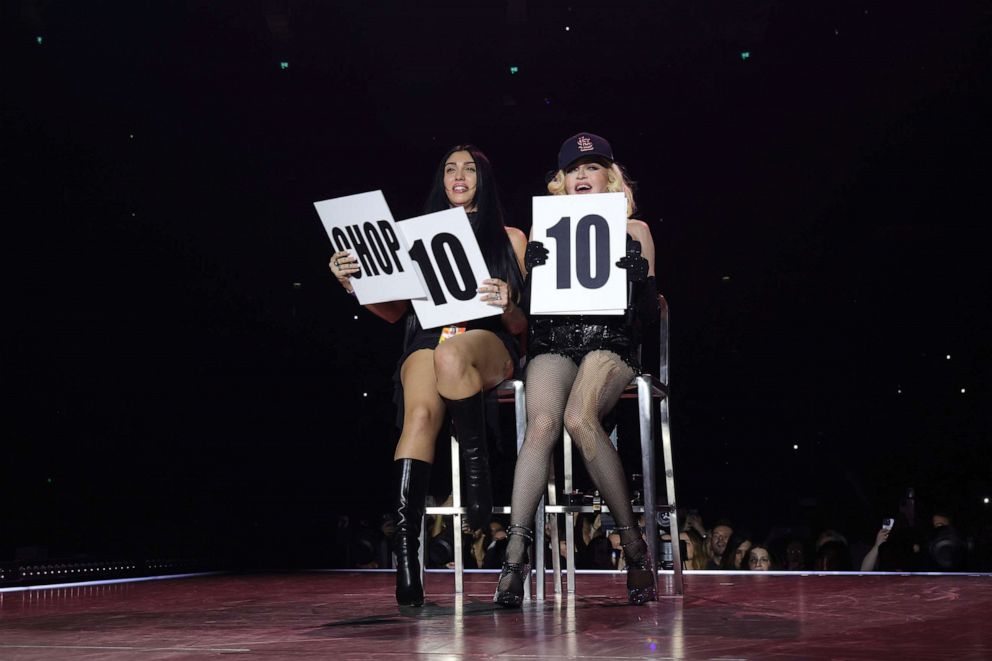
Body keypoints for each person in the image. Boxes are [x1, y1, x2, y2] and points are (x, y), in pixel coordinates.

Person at [329, 145, 527, 606]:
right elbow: (396, 311)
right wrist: (354, 284)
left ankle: (478, 477)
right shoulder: (413, 236)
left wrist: (509, 303)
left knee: (452, 357)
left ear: (485, 178)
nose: (458, 175)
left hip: (486, 339)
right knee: (418, 414)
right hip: (428, 338)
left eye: (469, 168)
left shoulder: (511, 237)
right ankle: (405, 559)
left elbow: (521, 325)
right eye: (449, 168)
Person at [493, 132, 660, 607]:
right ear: (560, 182)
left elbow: (648, 317)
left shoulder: (637, 229)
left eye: (592, 166)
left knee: (579, 416)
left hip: (610, 343)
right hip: (554, 341)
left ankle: (633, 548)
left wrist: (639, 279)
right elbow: (525, 319)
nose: (582, 174)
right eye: (573, 169)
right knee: (542, 420)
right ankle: (515, 554)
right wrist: (529, 277)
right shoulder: (542, 230)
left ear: (610, 177)